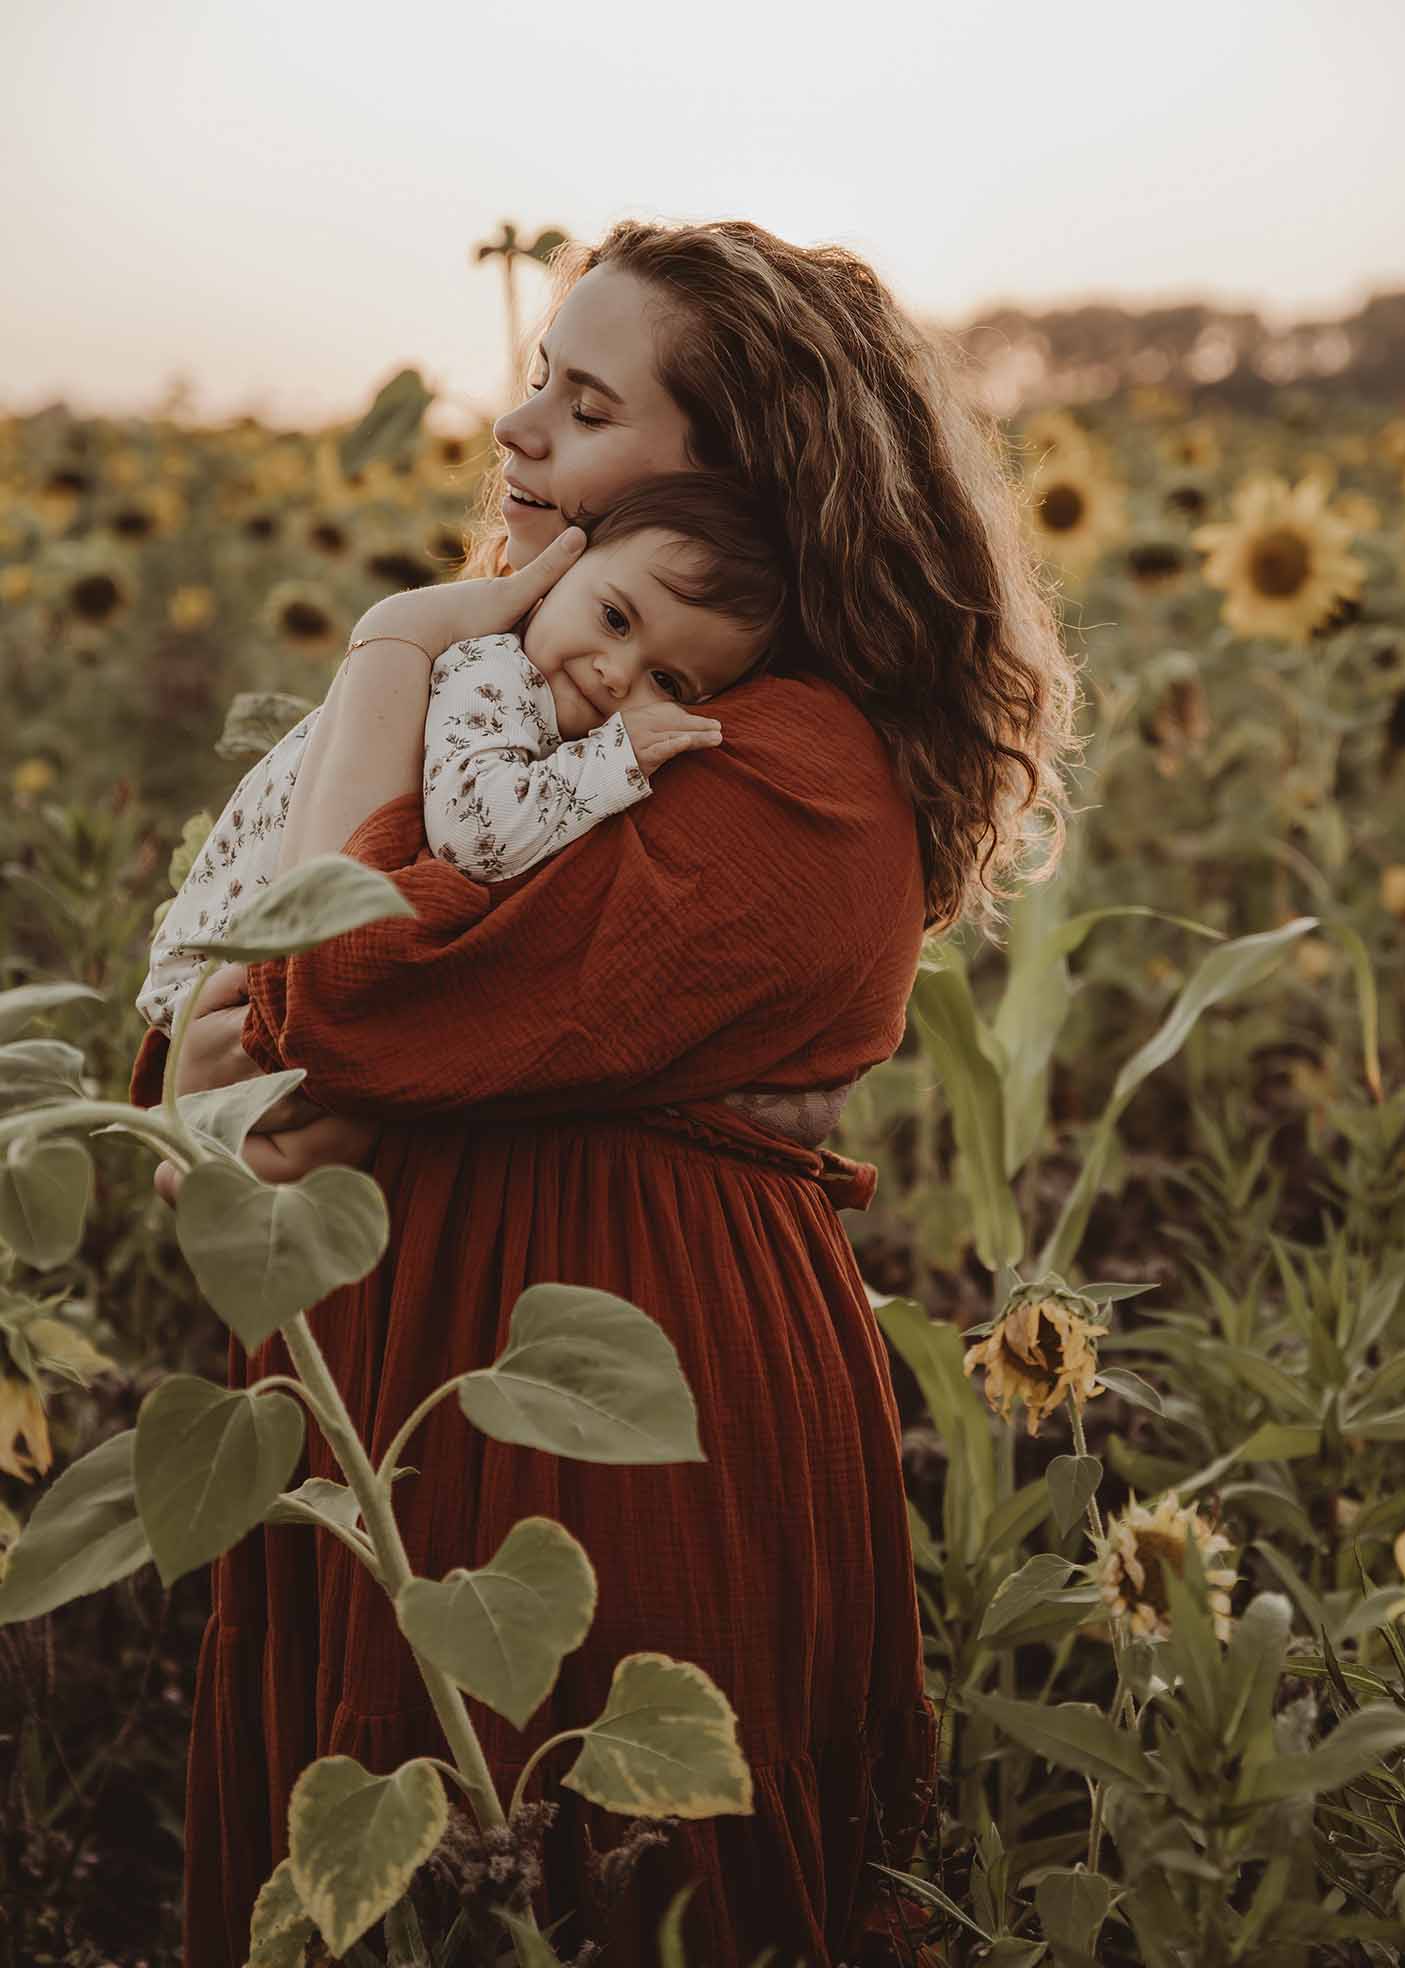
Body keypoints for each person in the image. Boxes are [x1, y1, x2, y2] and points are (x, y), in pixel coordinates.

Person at [130, 218, 1085, 1967]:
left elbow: (339, 980)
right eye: (534, 383)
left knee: (613, 1876)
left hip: (618, 1436)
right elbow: (236, 1020)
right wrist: (246, 1039)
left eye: (585, 406)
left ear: (739, 490)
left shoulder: (797, 774)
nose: (515, 432)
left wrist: (392, 643)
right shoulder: (545, 697)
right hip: (393, 1408)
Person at [137, 471, 780, 1038]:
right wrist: (611, 761)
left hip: (250, 975)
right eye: (615, 619)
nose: (617, 674)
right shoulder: (491, 673)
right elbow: (473, 834)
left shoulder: (541, 704)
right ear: (557, 573)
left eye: (665, 683)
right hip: (217, 977)